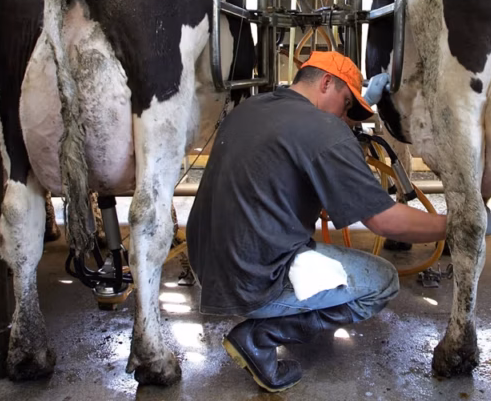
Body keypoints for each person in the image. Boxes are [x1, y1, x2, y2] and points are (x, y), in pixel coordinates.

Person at [186, 51, 447, 392]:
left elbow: (309, 134)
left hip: (205, 265)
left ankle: (267, 316)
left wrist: (359, 104)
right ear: (326, 82)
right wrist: (454, 225)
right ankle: (259, 337)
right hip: (249, 281)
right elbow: (385, 221)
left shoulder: (252, 107)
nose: (344, 116)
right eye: (345, 104)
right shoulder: (324, 130)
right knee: (382, 281)